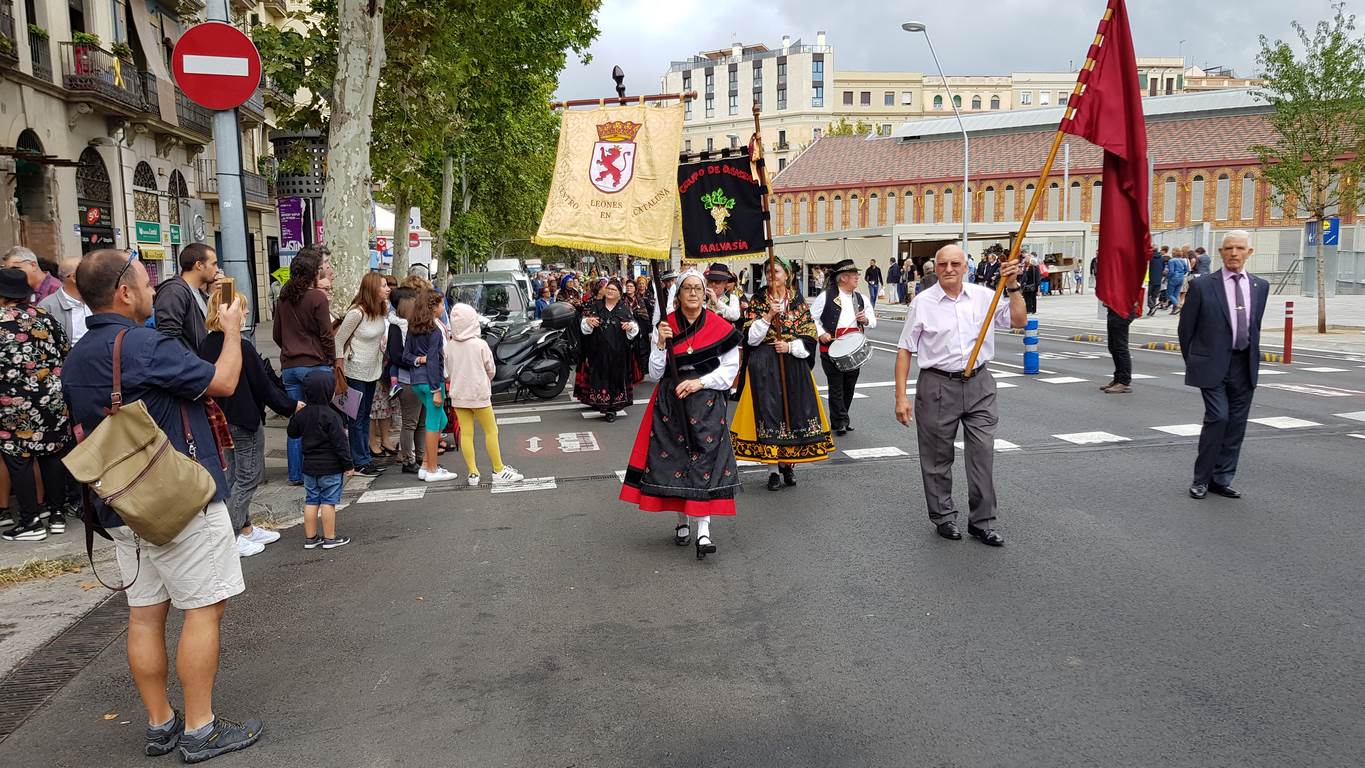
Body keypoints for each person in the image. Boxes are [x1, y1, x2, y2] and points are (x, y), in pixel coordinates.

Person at [62, 249, 263, 761]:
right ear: (124, 293)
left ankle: (161, 722)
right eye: (146, 284)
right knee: (202, 610)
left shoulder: (80, 355)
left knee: (145, 616)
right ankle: (200, 728)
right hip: (181, 502)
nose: (154, 291)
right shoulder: (144, 345)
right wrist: (233, 329)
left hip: (123, 504)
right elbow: (223, 382)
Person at [894, 245, 1025, 547]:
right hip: (938, 386)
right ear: (935, 268)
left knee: (982, 454)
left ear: (966, 266)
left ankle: (982, 522)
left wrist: (1014, 285)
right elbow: (905, 350)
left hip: (979, 383)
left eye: (955, 263)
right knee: (937, 458)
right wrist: (901, 397)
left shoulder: (984, 297)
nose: (949, 269)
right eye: (943, 265)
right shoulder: (923, 303)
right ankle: (943, 516)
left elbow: (1018, 320)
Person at [620, 270, 742, 560]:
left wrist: (700, 382)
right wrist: (661, 345)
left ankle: (703, 530)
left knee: (704, 462)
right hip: (671, 403)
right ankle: (681, 520)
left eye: (697, 288)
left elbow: (728, 370)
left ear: (705, 294)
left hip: (706, 402)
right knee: (674, 460)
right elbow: (656, 372)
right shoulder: (665, 327)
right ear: (678, 295)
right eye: (686, 288)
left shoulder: (719, 325)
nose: (692, 293)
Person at [199, 292, 299, 556]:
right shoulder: (241, 346)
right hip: (244, 419)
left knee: (231, 475)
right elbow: (263, 386)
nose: (245, 314)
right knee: (247, 477)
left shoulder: (207, 344)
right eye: (241, 309)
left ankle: (244, 529)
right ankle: (231, 535)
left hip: (220, 420)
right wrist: (291, 407)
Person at [1178, 231, 1269, 500]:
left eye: (1240, 248)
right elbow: (1186, 330)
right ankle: (1202, 479)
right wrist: (1195, 362)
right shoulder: (1204, 285)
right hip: (1213, 364)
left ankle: (1222, 478)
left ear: (1249, 252)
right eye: (1228, 248)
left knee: (1236, 424)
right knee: (1218, 418)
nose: (1234, 253)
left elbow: (1255, 325)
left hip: (1244, 364)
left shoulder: (1260, 286)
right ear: (1220, 252)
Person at [731, 258, 834, 491]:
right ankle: (772, 470)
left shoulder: (798, 302)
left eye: (775, 271)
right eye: (768, 271)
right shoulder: (757, 300)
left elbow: (809, 335)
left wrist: (790, 347)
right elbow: (750, 338)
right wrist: (768, 316)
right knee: (769, 416)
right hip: (764, 366)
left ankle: (788, 465)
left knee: (793, 415)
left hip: (793, 364)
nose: (771, 275)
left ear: (786, 274)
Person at [0, 268, 71, 542]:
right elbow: (65, 352)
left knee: (18, 460)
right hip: (51, 400)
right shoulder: (45, 317)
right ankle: (56, 514)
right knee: (52, 454)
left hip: (12, 405)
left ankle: (30, 521)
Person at [273, 247, 336, 485]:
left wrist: (290, 347)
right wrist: (329, 359)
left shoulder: (284, 297)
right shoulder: (317, 298)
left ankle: (296, 474)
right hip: (315, 364)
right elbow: (326, 334)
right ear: (313, 273)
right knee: (320, 418)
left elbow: (278, 334)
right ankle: (319, 470)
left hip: (290, 365)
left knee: (297, 419)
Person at [444, 303, 523, 487]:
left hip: (458, 396)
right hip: (479, 395)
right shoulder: (480, 344)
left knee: (466, 434)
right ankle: (498, 469)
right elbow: (491, 370)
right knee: (491, 431)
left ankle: (473, 473)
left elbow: (446, 373)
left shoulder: (449, 347)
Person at [810, 259, 876, 437]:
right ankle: (839, 422)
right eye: (854, 275)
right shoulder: (826, 296)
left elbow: (873, 320)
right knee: (836, 386)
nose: (857, 278)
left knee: (849, 386)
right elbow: (811, 318)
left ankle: (842, 417)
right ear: (843, 278)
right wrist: (821, 333)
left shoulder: (862, 298)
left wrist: (866, 320)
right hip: (831, 347)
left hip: (854, 349)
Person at [333, 272, 391, 476]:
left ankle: (365, 457)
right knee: (356, 417)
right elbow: (338, 340)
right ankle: (359, 461)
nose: (387, 288)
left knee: (366, 415)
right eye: (383, 286)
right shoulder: (357, 313)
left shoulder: (380, 310)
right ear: (372, 289)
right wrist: (340, 367)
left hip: (372, 369)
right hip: (354, 370)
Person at [288, 371, 353, 549]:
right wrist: (348, 465)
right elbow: (341, 444)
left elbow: (292, 432)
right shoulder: (332, 416)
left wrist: (296, 413)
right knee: (328, 502)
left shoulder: (302, 414)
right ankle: (330, 538)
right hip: (331, 467)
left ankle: (311, 538)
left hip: (309, 466)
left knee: (311, 501)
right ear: (328, 392)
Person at [403, 289, 456, 482]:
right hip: (433, 382)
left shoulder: (414, 327)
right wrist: (436, 389)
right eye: (441, 304)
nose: (443, 307)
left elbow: (405, 355)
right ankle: (432, 469)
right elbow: (434, 360)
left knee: (439, 421)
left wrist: (418, 360)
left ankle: (426, 465)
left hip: (417, 381)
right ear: (432, 307)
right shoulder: (434, 330)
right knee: (434, 423)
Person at [575, 278, 640, 422]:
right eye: (608, 289)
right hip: (598, 351)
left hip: (619, 352)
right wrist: (588, 322)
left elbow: (634, 327)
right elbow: (584, 326)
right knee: (600, 377)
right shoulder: (596, 306)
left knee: (616, 378)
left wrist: (630, 327)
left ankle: (612, 409)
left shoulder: (623, 308)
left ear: (619, 293)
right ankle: (602, 405)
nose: (610, 291)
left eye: (614, 290)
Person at [384, 287, 425, 474]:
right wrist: (418, 361)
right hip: (408, 379)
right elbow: (396, 355)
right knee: (410, 422)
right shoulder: (397, 327)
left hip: (422, 378)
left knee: (422, 422)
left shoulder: (415, 324)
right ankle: (408, 460)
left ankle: (422, 457)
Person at [152, 242, 219, 351]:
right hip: (189, 366)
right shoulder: (174, 291)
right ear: (199, 265)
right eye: (214, 264)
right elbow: (168, 339)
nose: (217, 269)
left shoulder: (199, 293)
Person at [38, 255, 91, 344]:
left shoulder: (97, 298)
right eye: (87, 271)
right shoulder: (47, 307)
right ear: (74, 277)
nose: (93, 274)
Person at [1100, 294, 1140, 394]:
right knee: (1113, 346)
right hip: (1114, 309)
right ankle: (1118, 379)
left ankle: (1124, 382)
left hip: (1123, 309)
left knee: (1120, 347)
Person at [1164, 248, 1189, 314]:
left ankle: (1178, 306)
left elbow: (1171, 271)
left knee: (1169, 294)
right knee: (1176, 294)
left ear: (1173, 253)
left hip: (1173, 278)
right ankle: (1174, 310)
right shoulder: (1183, 260)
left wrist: (1167, 277)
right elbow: (1187, 270)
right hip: (1181, 278)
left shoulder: (1171, 261)